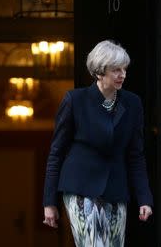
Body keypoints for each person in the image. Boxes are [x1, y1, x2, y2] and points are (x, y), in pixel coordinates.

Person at [42, 40, 153, 247]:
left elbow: (135, 155)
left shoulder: (132, 103)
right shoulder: (75, 100)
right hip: (81, 189)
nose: (123, 75)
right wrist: (49, 203)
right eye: (116, 70)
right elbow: (56, 152)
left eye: (124, 69)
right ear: (100, 72)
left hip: (116, 190)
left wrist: (144, 198)